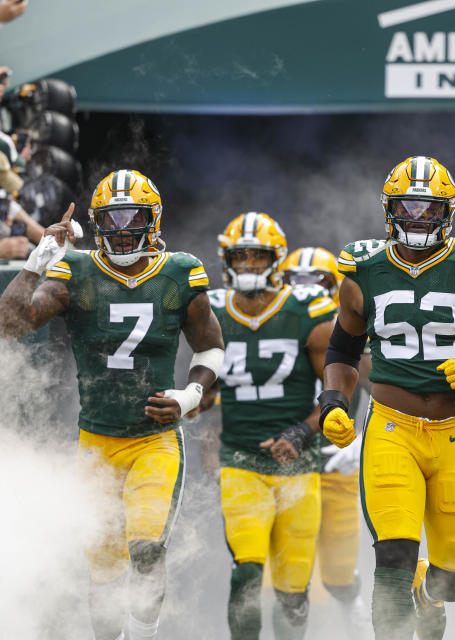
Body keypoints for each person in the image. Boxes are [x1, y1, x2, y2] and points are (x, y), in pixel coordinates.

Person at [261, 156, 455, 640]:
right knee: (391, 561)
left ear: (448, 212)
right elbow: (343, 347)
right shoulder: (364, 269)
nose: (417, 219)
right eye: (407, 207)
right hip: (391, 429)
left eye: (429, 209)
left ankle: (428, 594)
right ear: (389, 210)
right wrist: (334, 399)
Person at [0, 169, 225, 640]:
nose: (122, 229)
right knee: (102, 569)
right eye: (112, 218)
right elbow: (8, 324)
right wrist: (38, 258)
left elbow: (210, 348)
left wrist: (188, 397)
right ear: (97, 222)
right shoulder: (76, 271)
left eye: (132, 216)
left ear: (153, 219)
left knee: (146, 549)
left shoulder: (179, 272)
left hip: (153, 441)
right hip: (95, 441)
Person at [193, 214, 337, 639]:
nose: (250, 265)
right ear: (227, 260)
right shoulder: (214, 310)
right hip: (241, 460)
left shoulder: (306, 310)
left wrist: (302, 433)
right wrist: (195, 406)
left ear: (276, 259)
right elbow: (208, 387)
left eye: (259, 256)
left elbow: (338, 393)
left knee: (293, 591)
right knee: (247, 574)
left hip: (300, 464)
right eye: (241, 256)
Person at [277, 245, 372, 639]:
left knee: (335, 574)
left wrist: (362, 441)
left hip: (335, 460)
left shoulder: (348, 329)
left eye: (315, 282)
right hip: (289, 462)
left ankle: (358, 618)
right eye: (294, 281)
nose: (304, 290)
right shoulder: (270, 327)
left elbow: (382, 389)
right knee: (282, 577)